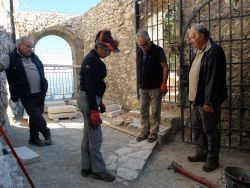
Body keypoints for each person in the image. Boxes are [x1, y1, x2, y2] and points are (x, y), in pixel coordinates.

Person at [77, 29, 119, 182]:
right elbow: (89, 87)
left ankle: (86, 167)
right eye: (108, 51)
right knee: (95, 136)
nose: (109, 54)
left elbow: (93, 85)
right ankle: (99, 171)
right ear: (100, 47)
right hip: (88, 100)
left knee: (88, 134)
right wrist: (94, 109)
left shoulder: (93, 59)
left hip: (90, 98)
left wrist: (98, 100)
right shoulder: (91, 61)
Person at [187, 23, 227, 172]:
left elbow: (214, 79)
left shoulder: (215, 51)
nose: (190, 41)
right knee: (197, 128)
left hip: (206, 101)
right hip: (195, 99)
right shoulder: (197, 51)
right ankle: (201, 153)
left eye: (192, 38)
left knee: (210, 130)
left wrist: (209, 101)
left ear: (202, 36)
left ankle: (212, 159)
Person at [0, 36, 52, 146]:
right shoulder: (9, 57)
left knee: (34, 117)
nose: (31, 49)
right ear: (20, 45)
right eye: (28, 46)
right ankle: (46, 132)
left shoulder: (34, 57)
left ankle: (33, 138)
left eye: (32, 47)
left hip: (40, 92)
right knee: (37, 116)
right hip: (26, 94)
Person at [136, 29, 169, 143]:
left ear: (149, 40)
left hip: (155, 87)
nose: (143, 47)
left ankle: (153, 133)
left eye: (144, 44)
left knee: (155, 111)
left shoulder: (158, 51)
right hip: (143, 87)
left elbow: (165, 67)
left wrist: (164, 84)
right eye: (140, 45)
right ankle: (145, 131)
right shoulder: (139, 50)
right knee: (143, 111)